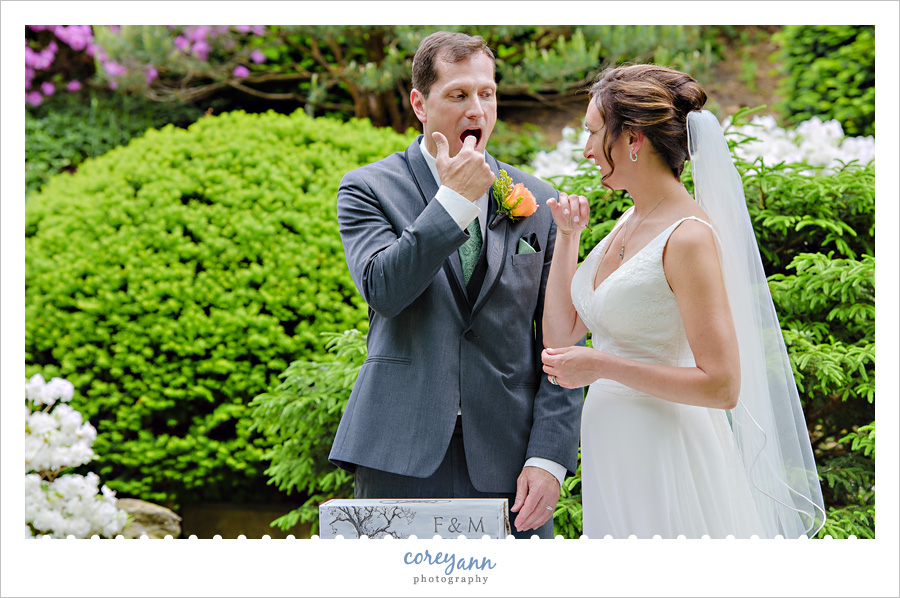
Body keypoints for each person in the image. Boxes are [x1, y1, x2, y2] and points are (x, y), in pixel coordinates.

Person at [540, 64, 826, 539]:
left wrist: (603, 366)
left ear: (634, 140)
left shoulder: (688, 237)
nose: (587, 149)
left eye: (593, 133)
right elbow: (560, 338)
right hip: (615, 451)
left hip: (665, 454)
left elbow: (721, 386)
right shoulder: (628, 221)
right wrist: (567, 239)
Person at [328, 31, 583, 539]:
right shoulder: (368, 188)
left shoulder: (538, 199)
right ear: (420, 104)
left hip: (511, 459)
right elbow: (384, 289)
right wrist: (452, 205)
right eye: (458, 95)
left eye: (486, 94)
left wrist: (551, 455)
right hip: (399, 451)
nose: (477, 110)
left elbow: (563, 342)